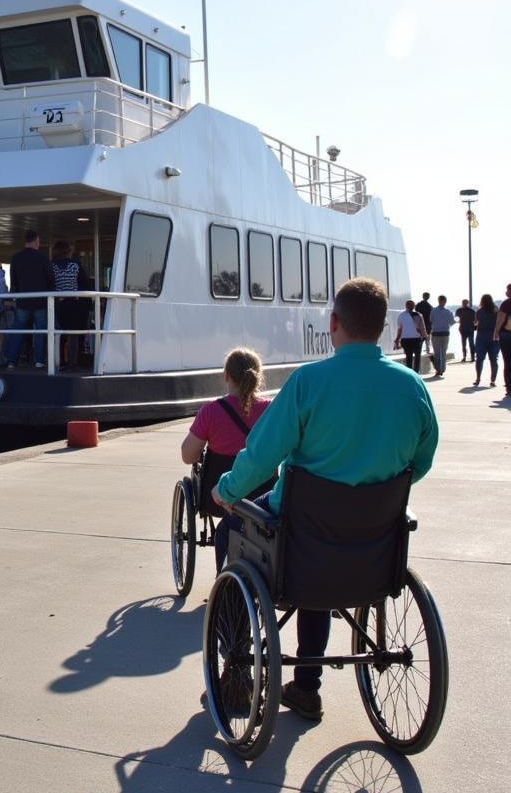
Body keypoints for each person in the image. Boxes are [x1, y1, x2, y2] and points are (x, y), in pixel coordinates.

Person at [211, 278, 438, 723]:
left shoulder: (310, 382)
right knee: (317, 563)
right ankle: (305, 686)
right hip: (375, 539)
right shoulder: (413, 387)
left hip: (304, 537)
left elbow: (262, 455)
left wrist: (227, 490)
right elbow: (421, 463)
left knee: (230, 530)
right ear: (383, 325)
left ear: (334, 323)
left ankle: (236, 662)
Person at [180, 348, 272, 571]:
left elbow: (188, 456)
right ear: (258, 376)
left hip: (220, 498)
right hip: (263, 498)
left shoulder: (211, 411)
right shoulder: (271, 410)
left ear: (226, 376)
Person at [4, 230, 55, 369]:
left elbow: (13, 281)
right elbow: (51, 279)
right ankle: (39, 360)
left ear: (25, 241)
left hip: (22, 300)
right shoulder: (43, 258)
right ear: (36, 241)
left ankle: (12, 361)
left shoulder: (16, 258)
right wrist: (51, 294)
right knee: (40, 331)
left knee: (18, 330)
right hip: (40, 301)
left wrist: (14, 295)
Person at [51, 240, 91, 371]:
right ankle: (72, 363)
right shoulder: (76, 264)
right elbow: (84, 281)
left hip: (58, 303)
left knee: (58, 333)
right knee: (73, 334)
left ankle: (59, 361)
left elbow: (50, 283)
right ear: (68, 251)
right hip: (74, 302)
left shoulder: (52, 265)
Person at [473, 294, 499, 388]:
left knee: (479, 359)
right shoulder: (496, 310)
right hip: (494, 338)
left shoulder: (479, 311)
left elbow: (475, 323)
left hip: (481, 337)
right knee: (493, 360)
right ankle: (492, 381)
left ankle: (478, 378)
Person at [394, 299, 426, 371]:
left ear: (406, 306)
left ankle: (410, 372)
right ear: (414, 306)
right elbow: (422, 328)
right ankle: (416, 372)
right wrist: (424, 336)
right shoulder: (418, 315)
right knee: (417, 356)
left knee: (409, 357)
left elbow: (400, 329)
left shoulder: (401, 315)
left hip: (406, 339)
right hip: (416, 339)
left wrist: (397, 340)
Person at [429, 295, 455, 377]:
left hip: (436, 333)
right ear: (445, 301)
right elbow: (452, 322)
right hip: (445, 333)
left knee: (437, 353)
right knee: (443, 352)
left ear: (438, 300)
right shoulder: (448, 312)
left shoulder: (433, 311)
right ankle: (442, 369)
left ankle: (438, 370)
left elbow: (431, 320)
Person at [497, 283, 511, 396]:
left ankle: (509, 388)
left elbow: (501, 319)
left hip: (506, 335)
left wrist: (496, 332)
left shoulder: (506, 304)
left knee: (508, 361)